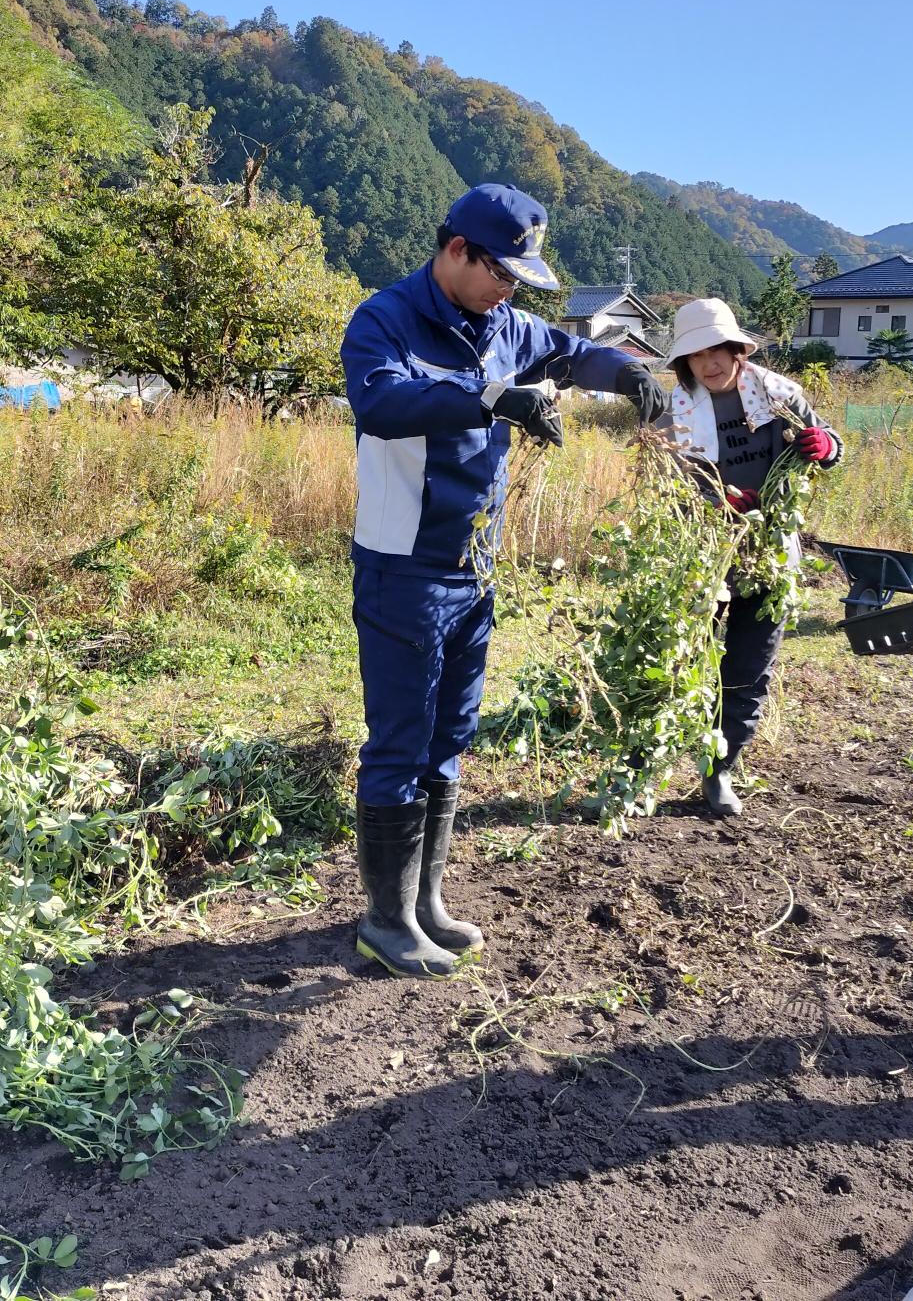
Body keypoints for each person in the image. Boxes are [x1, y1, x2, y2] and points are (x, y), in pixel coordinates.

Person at [341, 184, 666, 978]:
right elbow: (380, 402)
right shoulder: (383, 319)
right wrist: (492, 395)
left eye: (522, 281)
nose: (511, 291)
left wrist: (627, 373)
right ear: (458, 251)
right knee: (400, 742)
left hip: (474, 563)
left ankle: (425, 901)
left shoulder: (507, 325)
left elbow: (569, 350)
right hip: (403, 563)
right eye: (503, 273)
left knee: (450, 736)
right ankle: (384, 920)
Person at [663, 297, 842, 817]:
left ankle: (720, 772)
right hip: (703, 554)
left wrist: (824, 446)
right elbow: (666, 482)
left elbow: (832, 446)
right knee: (685, 662)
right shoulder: (673, 410)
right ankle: (654, 758)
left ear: (738, 350)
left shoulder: (781, 395)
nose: (711, 363)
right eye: (698, 355)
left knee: (749, 667)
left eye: (720, 350)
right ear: (686, 363)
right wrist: (712, 500)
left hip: (770, 555)